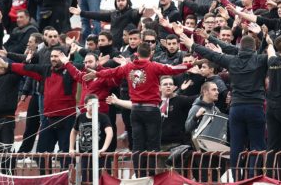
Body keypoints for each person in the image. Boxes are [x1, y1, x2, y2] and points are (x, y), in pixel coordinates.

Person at [86, 43, 192, 177]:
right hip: (152, 110)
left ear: (137, 54)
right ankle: (151, 175)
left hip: (135, 110)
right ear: (151, 54)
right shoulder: (154, 66)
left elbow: (112, 72)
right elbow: (174, 69)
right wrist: (191, 64)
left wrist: (97, 73)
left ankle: (139, 174)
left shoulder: (128, 67)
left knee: (137, 145)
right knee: (153, 144)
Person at [181, 32, 267, 176]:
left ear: (240, 48)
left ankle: (236, 178)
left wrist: (194, 45)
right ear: (254, 48)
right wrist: (266, 39)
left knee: (236, 146)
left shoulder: (232, 60)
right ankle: (253, 177)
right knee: (257, 145)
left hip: (236, 108)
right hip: (255, 107)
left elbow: (211, 54)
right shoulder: (260, 59)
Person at [69, 94, 113, 185]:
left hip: (100, 157)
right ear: (85, 105)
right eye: (91, 104)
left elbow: (109, 132)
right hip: (85, 157)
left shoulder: (103, 117)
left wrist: (103, 149)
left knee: (102, 183)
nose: (94, 106)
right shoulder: (81, 117)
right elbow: (74, 131)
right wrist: (71, 148)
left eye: (96, 104)